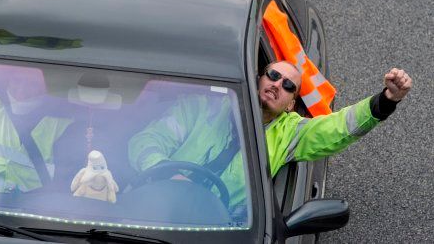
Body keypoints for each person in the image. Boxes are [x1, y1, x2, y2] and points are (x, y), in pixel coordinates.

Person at [128, 61, 412, 210]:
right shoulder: (202, 106)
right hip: (156, 201)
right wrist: (164, 173)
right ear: (259, 79)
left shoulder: (290, 133)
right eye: (273, 75)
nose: (277, 83)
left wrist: (386, 100)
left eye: (289, 85)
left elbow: (338, 128)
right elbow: (146, 142)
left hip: (219, 225)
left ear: (291, 104)